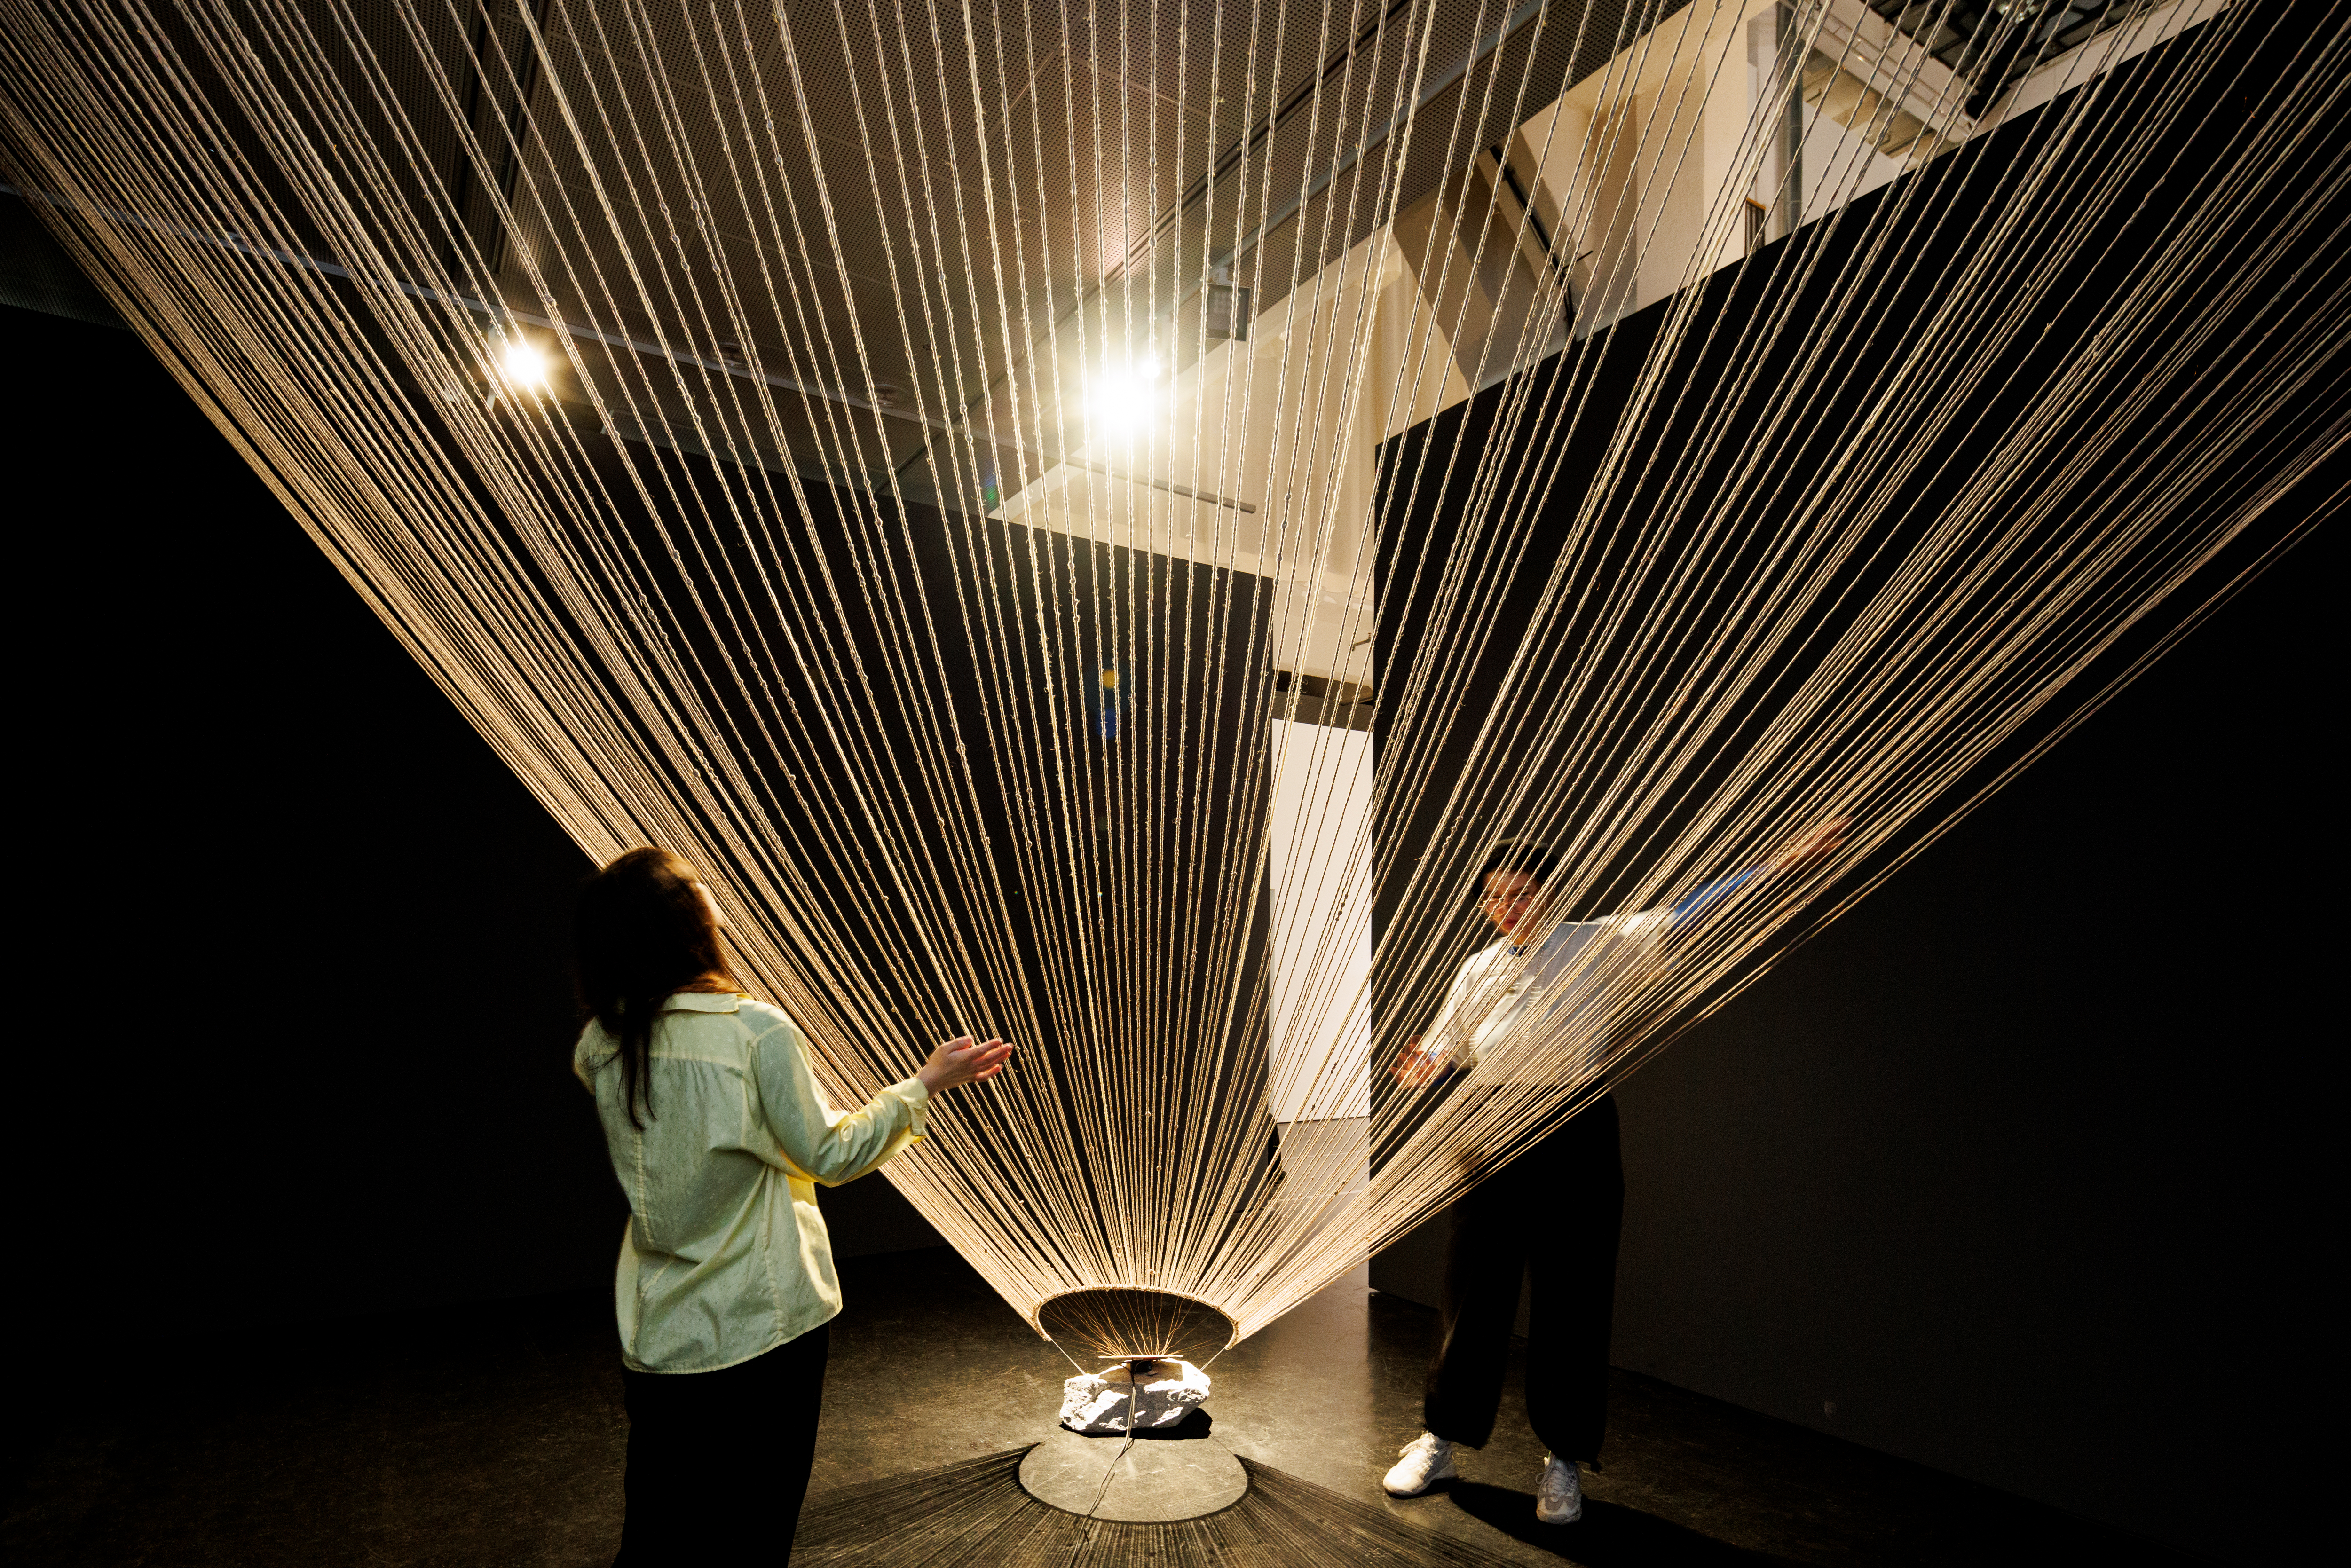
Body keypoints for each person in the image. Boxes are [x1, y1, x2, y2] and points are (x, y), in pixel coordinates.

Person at [1380, 819, 1846, 1524]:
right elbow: (1451, 1045)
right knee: (1471, 1293)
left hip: (1575, 1127)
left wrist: (1778, 864)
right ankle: (1441, 1438)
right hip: (1487, 1129)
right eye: (1495, 899)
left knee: (1573, 1291)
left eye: (1521, 894)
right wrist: (1423, 1067)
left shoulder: (1596, 942)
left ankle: (1563, 1459)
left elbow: (1693, 909)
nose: (1509, 909)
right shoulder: (1477, 968)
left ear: (1550, 892)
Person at [572, 847, 1012, 1562]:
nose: (713, 895)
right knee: (754, 1531)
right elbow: (830, 1156)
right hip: (761, 1333)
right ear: (683, 924)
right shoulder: (754, 1033)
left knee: (656, 1534)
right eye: (699, 888)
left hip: (659, 1337)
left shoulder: (600, 1044)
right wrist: (924, 1086)